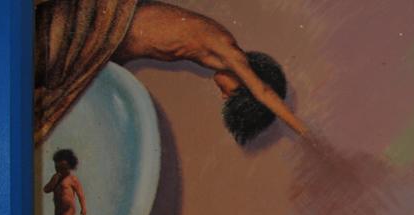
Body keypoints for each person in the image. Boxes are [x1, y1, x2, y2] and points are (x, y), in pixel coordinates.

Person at [112, 0, 308, 144]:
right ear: (246, 83)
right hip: (121, 24)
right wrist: (304, 132)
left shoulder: (219, 54)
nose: (223, 96)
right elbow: (263, 93)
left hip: (124, 33)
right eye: (230, 94)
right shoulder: (229, 53)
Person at [43, 149, 87, 215]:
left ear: (69, 166)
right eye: (57, 167)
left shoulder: (72, 179)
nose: (59, 169)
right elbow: (46, 189)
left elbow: (80, 194)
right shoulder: (55, 177)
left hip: (69, 208)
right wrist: (54, 181)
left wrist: (83, 207)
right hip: (58, 208)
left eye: (63, 167)